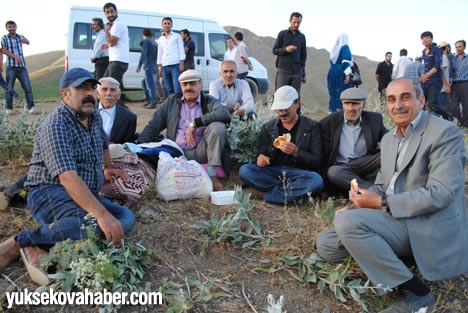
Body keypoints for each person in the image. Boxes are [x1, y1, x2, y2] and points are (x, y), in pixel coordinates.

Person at [316, 78, 468, 313]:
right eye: (391, 99)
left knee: (347, 225)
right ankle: (398, 258)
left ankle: (415, 291)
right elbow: (382, 183)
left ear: (422, 100)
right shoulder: (389, 139)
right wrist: (359, 204)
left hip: (425, 224)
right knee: (326, 245)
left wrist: (379, 203)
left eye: (406, 97)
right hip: (395, 217)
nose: (398, 105)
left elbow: (442, 194)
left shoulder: (445, 134)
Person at [0, 68, 135, 285]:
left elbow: (103, 144)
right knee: (93, 225)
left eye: (91, 87)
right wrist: (101, 215)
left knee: (126, 218)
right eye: (81, 88)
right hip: (48, 192)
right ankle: (21, 242)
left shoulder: (94, 115)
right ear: (65, 94)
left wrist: (107, 167)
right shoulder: (56, 125)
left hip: (82, 192)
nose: (89, 92)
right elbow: (67, 177)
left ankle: (45, 241)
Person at [137, 69, 230, 191]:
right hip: (176, 151)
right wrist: (139, 146)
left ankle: (212, 175)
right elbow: (154, 125)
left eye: (192, 83)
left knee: (218, 127)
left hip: (201, 152)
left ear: (200, 85)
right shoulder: (172, 101)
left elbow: (224, 113)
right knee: (151, 154)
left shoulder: (208, 101)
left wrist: (195, 123)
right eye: (185, 84)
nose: (188, 87)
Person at [238, 85, 323, 204]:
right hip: (273, 172)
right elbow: (261, 153)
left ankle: (264, 194)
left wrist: (297, 152)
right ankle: (292, 194)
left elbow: (317, 161)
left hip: (299, 174)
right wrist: (260, 159)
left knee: (316, 180)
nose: (282, 113)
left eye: (285, 108)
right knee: (245, 171)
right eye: (278, 109)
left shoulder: (312, 126)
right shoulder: (268, 127)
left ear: (297, 104)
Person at [319, 88, 387, 195]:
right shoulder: (329, 123)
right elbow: (323, 156)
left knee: (389, 155)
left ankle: (357, 187)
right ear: (342, 105)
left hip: (365, 164)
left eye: (355, 104)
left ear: (363, 104)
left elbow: (389, 138)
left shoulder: (374, 119)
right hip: (342, 167)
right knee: (333, 172)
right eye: (347, 104)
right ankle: (373, 191)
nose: (351, 108)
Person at [1, 20, 35, 114]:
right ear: (7, 28)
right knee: (9, 88)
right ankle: (9, 108)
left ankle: (31, 107)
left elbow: (28, 42)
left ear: (16, 27)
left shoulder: (20, 37)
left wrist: (26, 41)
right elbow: (3, 50)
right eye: (10, 27)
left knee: (27, 87)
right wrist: (14, 57)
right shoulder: (4, 38)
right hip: (11, 66)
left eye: (13, 26)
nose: (12, 28)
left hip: (21, 67)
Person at [420, 31, 451, 121]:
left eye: (427, 37)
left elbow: (437, 66)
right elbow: (425, 67)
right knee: (421, 102)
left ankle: (449, 118)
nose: (424, 40)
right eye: (422, 38)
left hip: (435, 80)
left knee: (433, 104)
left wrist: (428, 74)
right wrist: (422, 75)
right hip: (425, 81)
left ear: (431, 39)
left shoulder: (437, 50)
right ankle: (422, 122)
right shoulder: (423, 52)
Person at [272, 12, 307, 93]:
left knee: (294, 96)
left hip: (297, 71)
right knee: (280, 94)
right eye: (294, 22)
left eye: (298, 22)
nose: (296, 24)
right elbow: (275, 50)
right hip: (283, 70)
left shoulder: (302, 37)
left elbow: (303, 56)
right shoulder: (282, 34)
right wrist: (285, 50)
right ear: (290, 21)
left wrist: (303, 73)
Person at [98, 77, 137, 143]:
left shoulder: (129, 118)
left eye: (112, 90)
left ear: (119, 95)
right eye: (104, 89)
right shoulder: (86, 112)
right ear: (97, 94)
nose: (108, 94)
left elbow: (127, 145)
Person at [103, 2, 129, 92]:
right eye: (107, 12)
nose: (110, 14)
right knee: (105, 83)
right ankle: (116, 104)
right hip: (115, 60)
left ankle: (116, 105)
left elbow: (112, 43)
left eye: (112, 11)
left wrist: (106, 31)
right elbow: (113, 43)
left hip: (118, 61)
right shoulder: (114, 25)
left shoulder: (118, 24)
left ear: (116, 12)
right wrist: (107, 45)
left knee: (113, 86)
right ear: (105, 14)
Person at [157, 17, 185, 96]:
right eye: (165, 24)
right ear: (162, 25)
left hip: (175, 65)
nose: (167, 25)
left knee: (177, 88)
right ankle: (172, 106)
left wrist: (181, 63)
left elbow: (181, 51)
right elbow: (159, 54)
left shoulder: (176, 36)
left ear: (172, 25)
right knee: (168, 88)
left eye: (168, 23)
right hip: (165, 66)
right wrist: (160, 68)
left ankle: (179, 106)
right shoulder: (160, 39)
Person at [327, 34, 353, 113]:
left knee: (333, 92)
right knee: (344, 92)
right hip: (341, 73)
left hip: (332, 72)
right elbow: (345, 62)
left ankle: (332, 110)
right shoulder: (345, 48)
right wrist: (347, 75)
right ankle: (342, 111)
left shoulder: (334, 50)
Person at [136, 28, 158, 108]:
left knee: (150, 85)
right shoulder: (154, 43)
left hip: (148, 65)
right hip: (154, 65)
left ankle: (153, 102)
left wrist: (139, 65)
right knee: (144, 83)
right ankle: (149, 100)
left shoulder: (146, 41)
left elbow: (144, 54)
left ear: (143, 34)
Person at [449, 40, 468, 128]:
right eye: (456, 47)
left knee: (466, 106)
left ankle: (465, 125)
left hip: (465, 83)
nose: (458, 49)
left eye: (460, 47)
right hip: (454, 84)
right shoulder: (452, 58)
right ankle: (458, 122)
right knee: (453, 106)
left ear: (464, 47)